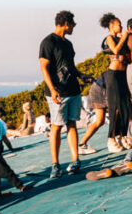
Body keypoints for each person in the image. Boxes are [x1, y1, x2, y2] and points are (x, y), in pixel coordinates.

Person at [39, 10, 92, 178]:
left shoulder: (68, 44)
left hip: (73, 90)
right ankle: (55, 164)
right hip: (58, 93)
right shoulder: (48, 42)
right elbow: (44, 67)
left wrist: (82, 75)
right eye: (73, 24)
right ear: (66, 23)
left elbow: (71, 67)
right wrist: (53, 89)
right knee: (56, 126)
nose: (74, 28)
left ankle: (75, 160)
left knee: (72, 124)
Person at [101, 13, 132, 152]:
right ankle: (111, 139)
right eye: (118, 24)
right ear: (111, 26)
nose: (121, 26)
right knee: (115, 108)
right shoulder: (109, 38)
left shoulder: (121, 38)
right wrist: (124, 38)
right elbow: (115, 50)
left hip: (123, 73)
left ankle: (123, 135)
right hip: (113, 74)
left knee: (126, 106)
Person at [79, 72, 108, 154]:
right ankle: (82, 144)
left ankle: (119, 137)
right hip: (100, 90)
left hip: (102, 88)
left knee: (101, 121)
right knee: (100, 120)